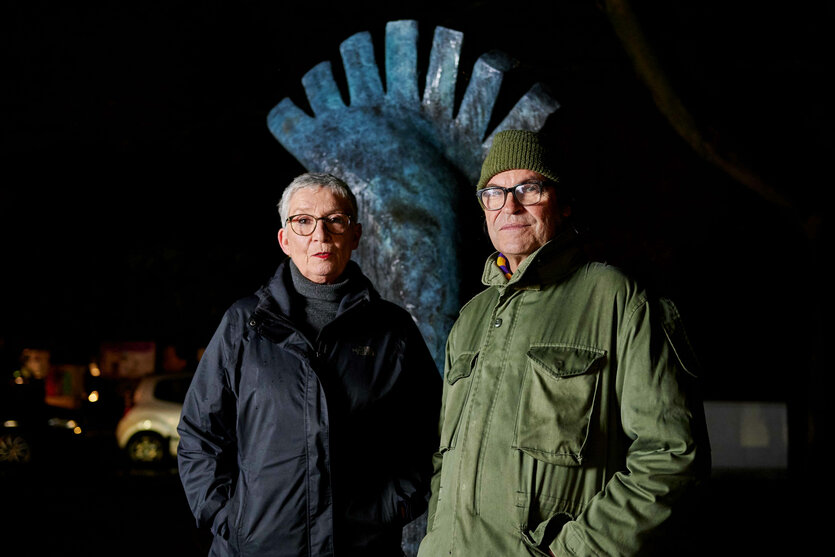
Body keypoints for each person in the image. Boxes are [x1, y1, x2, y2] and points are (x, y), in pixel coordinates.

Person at [417, 130, 710, 556]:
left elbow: (672, 455)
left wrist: (572, 551)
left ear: (564, 202)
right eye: (494, 193)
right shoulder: (471, 318)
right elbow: (445, 463)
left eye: (528, 189)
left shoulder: (619, 300)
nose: (509, 206)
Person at [177, 172, 441, 556]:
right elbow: (200, 434)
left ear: (355, 235)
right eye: (303, 221)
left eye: (335, 220)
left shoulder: (392, 330)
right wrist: (229, 519)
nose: (320, 235)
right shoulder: (244, 324)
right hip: (254, 548)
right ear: (285, 239)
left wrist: (395, 504)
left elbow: (428, 432)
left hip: (362, 547)